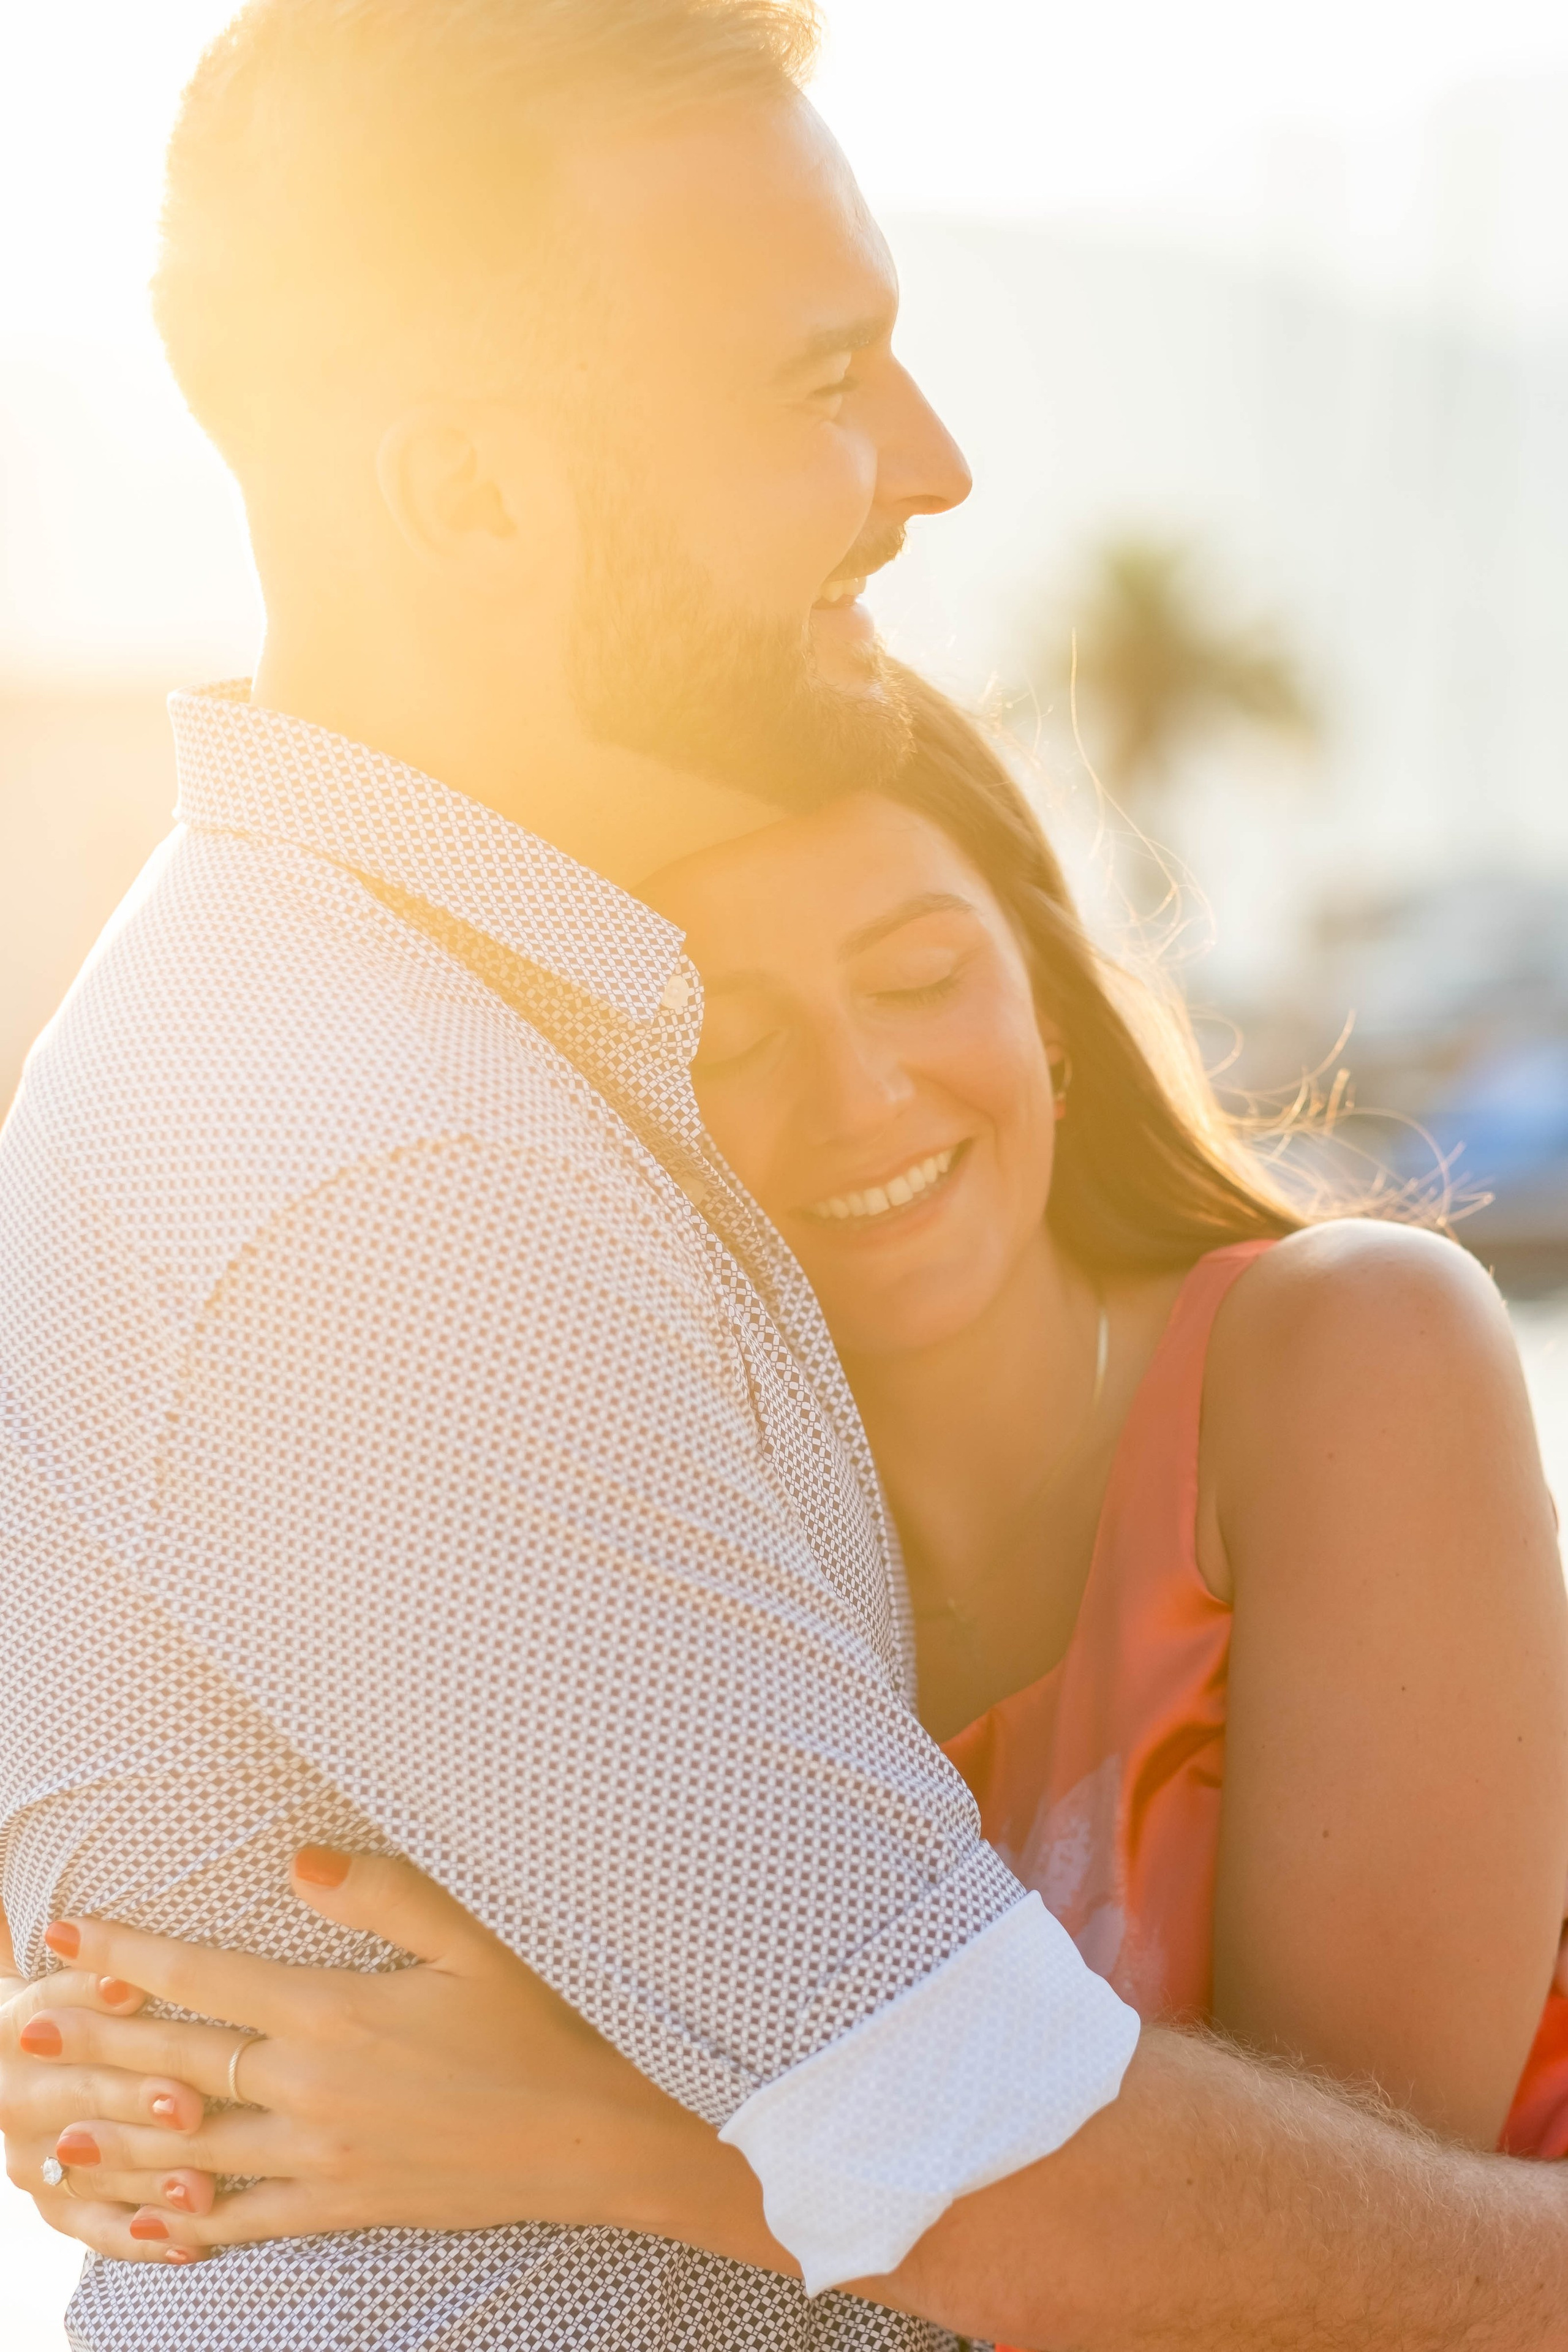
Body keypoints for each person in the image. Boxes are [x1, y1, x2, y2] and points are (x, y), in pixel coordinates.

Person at [2, 4, 1568, 2348]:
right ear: (475, 497)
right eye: (816, 380)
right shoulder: (386, 1172)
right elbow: (997, 2158)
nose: (927, 469)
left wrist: (596, 2125)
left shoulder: (477, 1050)